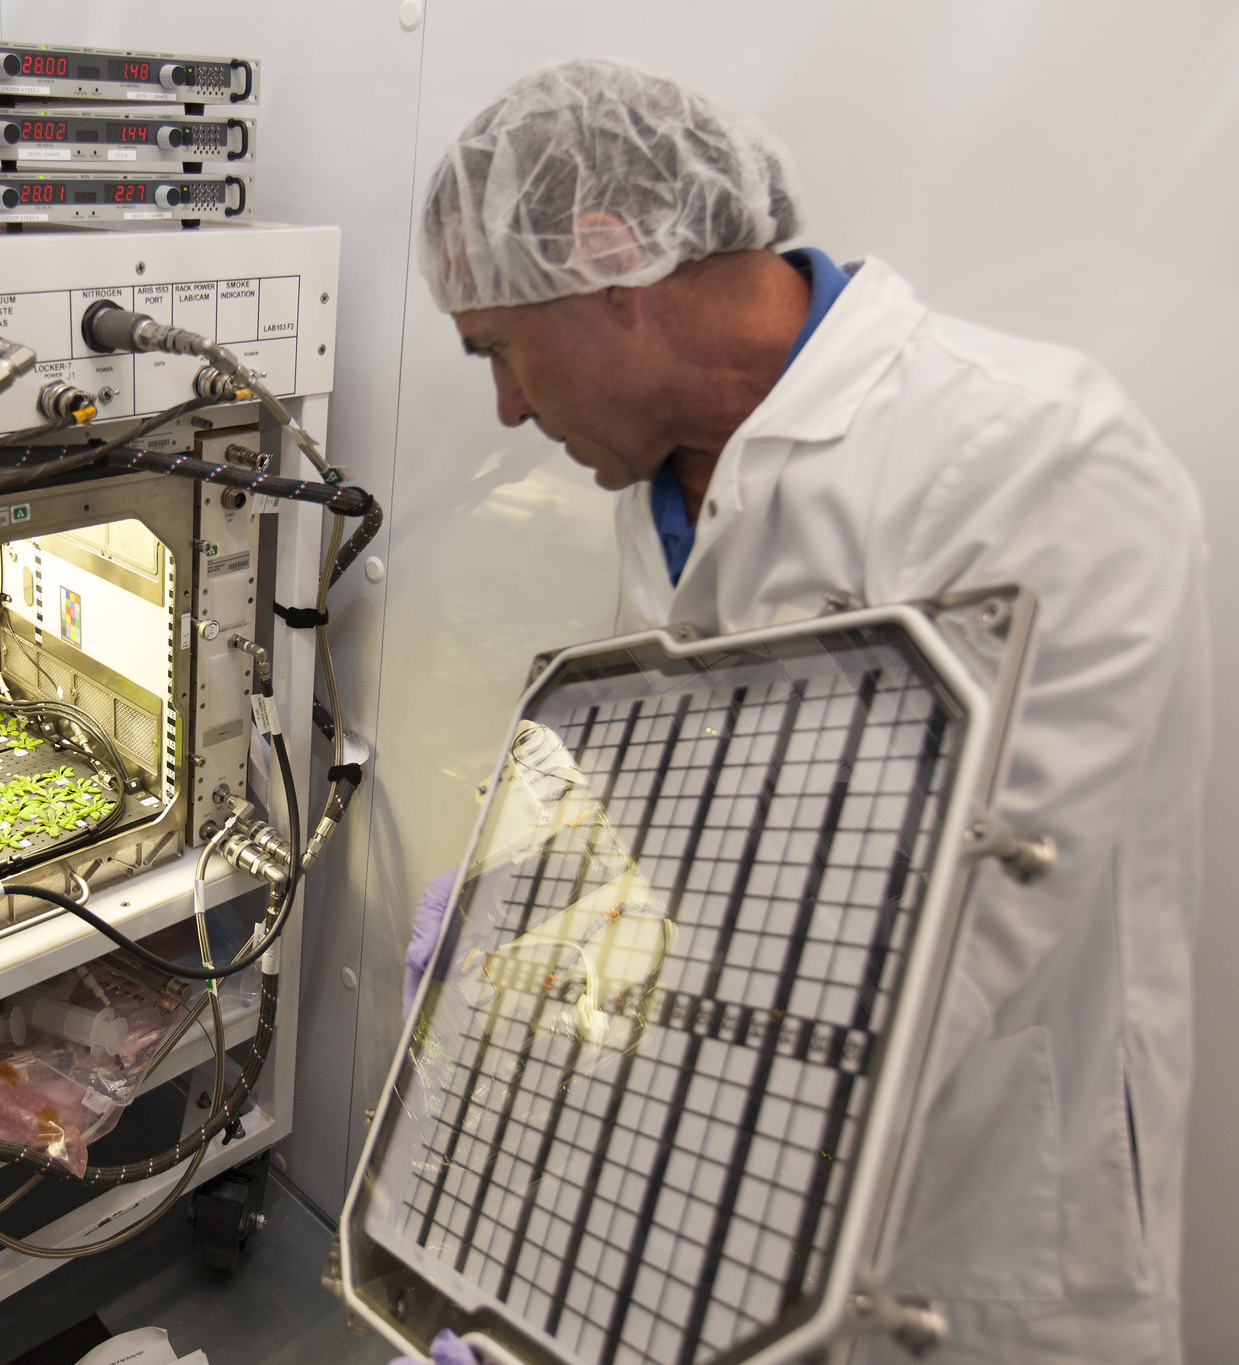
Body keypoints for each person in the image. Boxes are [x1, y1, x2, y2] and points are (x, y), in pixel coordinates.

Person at [394, 58, 1208, 1365]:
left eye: (497, 349)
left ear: (611, 264)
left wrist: (571, 1245)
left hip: (972, 1218)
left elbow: (932, 949)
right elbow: (703, 821)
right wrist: (546, 895)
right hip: (728, 1179)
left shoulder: (1034, 460)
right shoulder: (659, 489)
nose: (501, 405)